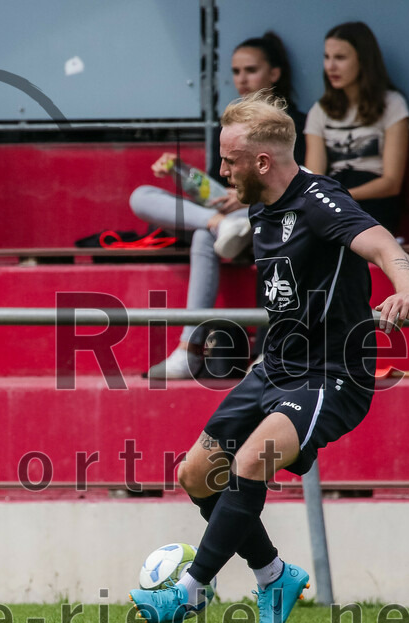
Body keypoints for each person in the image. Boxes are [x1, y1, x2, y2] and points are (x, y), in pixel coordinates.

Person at [130, 91, 409, 623]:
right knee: (195, 474)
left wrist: (406, 290)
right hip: (276, 366)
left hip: (335, 372)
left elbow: (384, 245)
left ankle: (191, 587)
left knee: (251, 460)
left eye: (229, 160)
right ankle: (274, 575)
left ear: (263, 161)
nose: (220, 170)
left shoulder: (320, 200)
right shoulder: (260, 201)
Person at [132, 32, 307, 379]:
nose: (241, 79)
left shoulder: (293, 125)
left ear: (274, 74)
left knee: (201, 237)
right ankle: (215, 224)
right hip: (227, 217)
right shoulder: (229, 123)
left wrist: (245, 195)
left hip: (262, 213)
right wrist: (181, 173)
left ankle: (188, 350)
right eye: (236, 71)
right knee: (141, 196)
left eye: (251, 69)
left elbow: (297, 183)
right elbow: (217, 183)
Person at [304, 21, 409, 235]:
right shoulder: (320, 110)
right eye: (327, 57)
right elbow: (313, 178)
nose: (330, 66)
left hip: (373, 202)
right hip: (332, 199)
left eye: (340, 58)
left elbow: (391, 183)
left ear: (363, 61)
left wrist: (344, 196)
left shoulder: (392, 104)